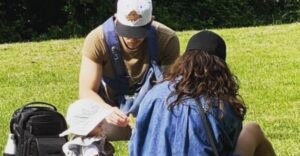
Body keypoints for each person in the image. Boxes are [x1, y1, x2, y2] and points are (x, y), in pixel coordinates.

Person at [130, 31, 276, 156]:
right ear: (220, 68)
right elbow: (229, 144)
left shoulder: (153, 94)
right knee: (253, 130)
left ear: (184, 60)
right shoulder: (219, 103)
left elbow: (136, 144)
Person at [79, 0, 180, 140]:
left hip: (153, 109)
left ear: (151, 21)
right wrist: (106, 110)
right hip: (110, 109)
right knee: (81, 120)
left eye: (138, 33)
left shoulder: (167, 39)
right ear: (115, 17)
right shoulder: (97, 39)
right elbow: (86, 91)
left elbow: (170, 88)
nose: (132, 38)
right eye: (126, 31)